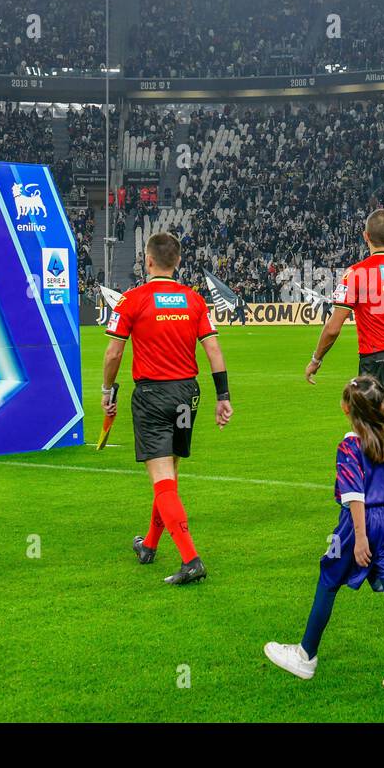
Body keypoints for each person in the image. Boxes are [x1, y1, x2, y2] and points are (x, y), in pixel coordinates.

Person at [264, 376, 384, 690]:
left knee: (328, 581)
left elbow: (354, 494)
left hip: (357, 525)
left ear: (347, 410)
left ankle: (305, 655)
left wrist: (360, 538)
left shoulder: (350, 446)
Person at [102, 232, 234, 586]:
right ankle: (148, 545)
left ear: (147, 260)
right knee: (169, 477)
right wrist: (224, 397)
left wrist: (107, 390)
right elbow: (214, 352)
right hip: (187, 395)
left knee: (163, 482)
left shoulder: (132, 299)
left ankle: (191, 560)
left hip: (153, 396)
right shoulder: (193, 300)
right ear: (178, 262)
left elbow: (114, 353)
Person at [306, 209, 384, 398]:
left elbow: (333, 328)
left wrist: (316, 360)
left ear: (365, 236)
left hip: (374, 360)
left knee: (374, 423)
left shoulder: (355, 274)